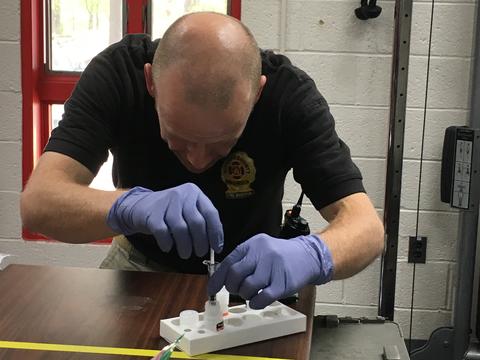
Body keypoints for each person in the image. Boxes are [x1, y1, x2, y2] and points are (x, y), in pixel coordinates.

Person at [20, 12, 384, 310]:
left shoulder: (290, 98)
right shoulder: (118, 76)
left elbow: (366, 228)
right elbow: (39, 203)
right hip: (139, 261)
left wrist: (312, 254)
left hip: (254, 274)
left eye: (221, 143)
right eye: (178, 138)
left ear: (257, 92)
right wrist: (129, 205)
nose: (196, 161)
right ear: (151, 83)